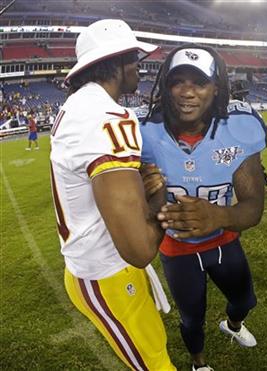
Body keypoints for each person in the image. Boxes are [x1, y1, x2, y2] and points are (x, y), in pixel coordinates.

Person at [50, 19, 175, 370]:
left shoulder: (79, 106)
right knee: (156, 365)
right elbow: (139, 250)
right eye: (135, 59)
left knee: (155, 348)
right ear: (119, 63)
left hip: (99, 264)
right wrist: (158, 195)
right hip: (106, 273)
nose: (140, 67)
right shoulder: (106, 115)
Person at [140, 44, 266, 371]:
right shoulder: (143, 133)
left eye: (199, 82)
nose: (187, 91)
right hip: (176, 247)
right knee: (191, 318)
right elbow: (133, 207)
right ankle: (199, 363)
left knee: (244, 301)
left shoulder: (238, 128)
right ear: (165, 86)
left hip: (223, 240)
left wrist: (219, 216)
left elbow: (253, 207)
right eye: (177, 81)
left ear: (216, 89)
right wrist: (143, 192)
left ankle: (233, 325)